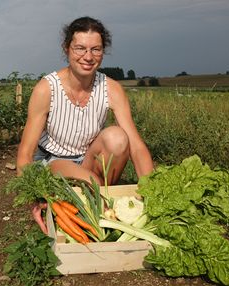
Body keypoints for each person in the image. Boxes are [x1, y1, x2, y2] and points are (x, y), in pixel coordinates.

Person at [16, 16, 154, 234]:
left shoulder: (111, 88)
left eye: (96, 49)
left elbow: (135, 146)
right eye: (80, 48)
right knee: (89, 180)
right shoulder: (47, 89)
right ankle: (90, 198)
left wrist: (153, 193)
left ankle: (94, 200)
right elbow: (25, 153)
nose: (88, 57)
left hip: (89, 159)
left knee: (118, 138)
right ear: (67, 49)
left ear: (103, 51)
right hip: (54, 161)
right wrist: (31, 197)